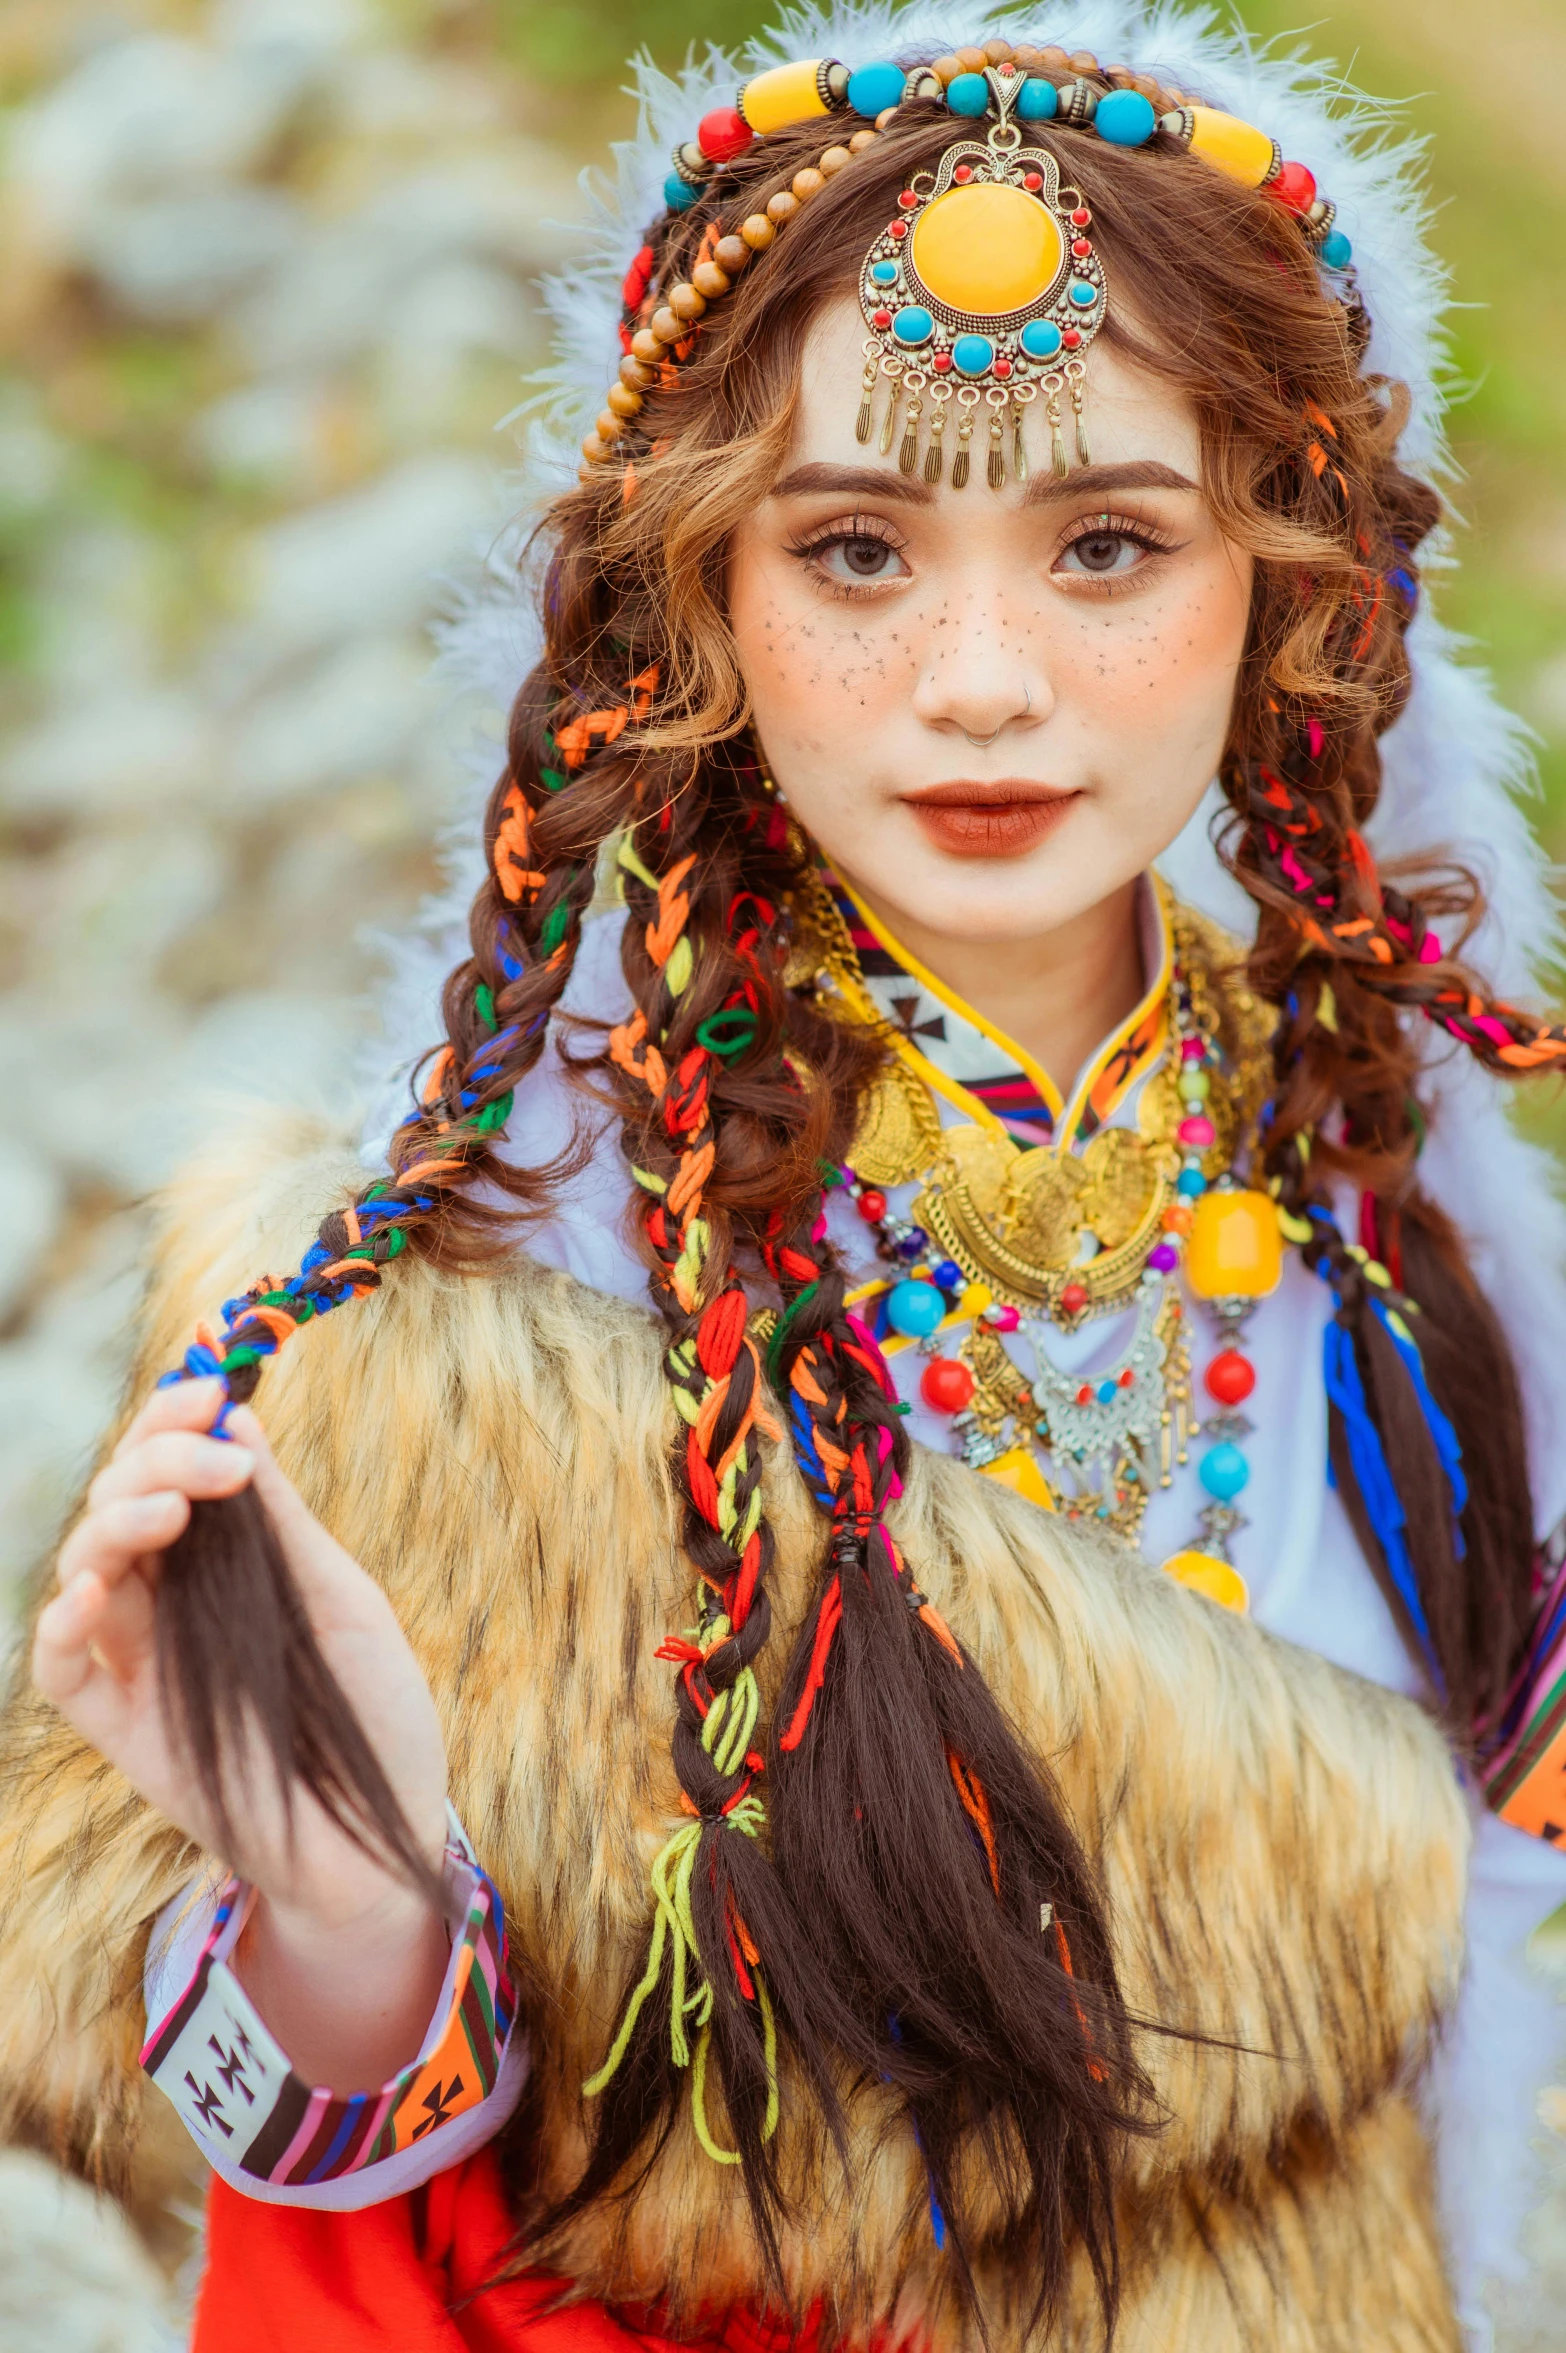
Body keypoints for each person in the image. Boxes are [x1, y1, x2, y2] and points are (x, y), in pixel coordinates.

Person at [0, 9, 1561, 2347]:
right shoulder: (470, 1312)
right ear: (697, 604)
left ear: (1294, 594)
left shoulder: (1402, 1237)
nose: (981, 679)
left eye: (1110, 545)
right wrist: (344, 1913)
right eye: (854, 548)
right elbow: (303, 2169)